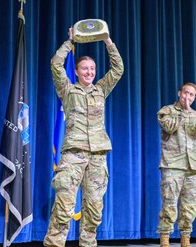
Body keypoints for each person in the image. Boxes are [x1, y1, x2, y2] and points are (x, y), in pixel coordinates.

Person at [44, 28, 124, 247]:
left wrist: (108, 41)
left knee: (94, 210)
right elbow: (55, 65)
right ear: (77, 72)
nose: (89, 72)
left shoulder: (101, 90)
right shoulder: (68, 91)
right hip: (74, 156)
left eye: (92, 69)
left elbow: (118, 70)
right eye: (85, 69)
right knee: (63, 207)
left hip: (98, 157)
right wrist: (69, 42)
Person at [156, 82, 196, 247]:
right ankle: (165, 239)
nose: (188, 97)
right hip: (172, 165)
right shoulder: (167, 111)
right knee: (169, 205)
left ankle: (185, 238)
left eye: (192, 95)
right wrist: (184, 113)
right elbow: (169, 127)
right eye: (185, 93)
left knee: (190, 207)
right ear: (179, 93)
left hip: (192, 167)